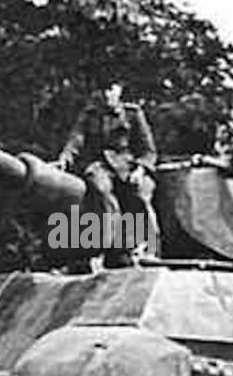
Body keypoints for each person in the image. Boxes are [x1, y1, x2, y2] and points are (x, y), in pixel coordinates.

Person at [54, 83, 161, 265]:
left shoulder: (133, 114)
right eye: (103, 90)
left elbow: (148, 151)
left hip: (128, 166)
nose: (106, 94)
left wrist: (140, 170)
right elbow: (76, 140)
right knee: (100, 189)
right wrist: (64, 159)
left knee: (140, 193)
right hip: (100, 165)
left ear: (119, 90)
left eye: (111, 89)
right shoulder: (90, 115)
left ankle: (148, 247)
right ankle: (108, 245)